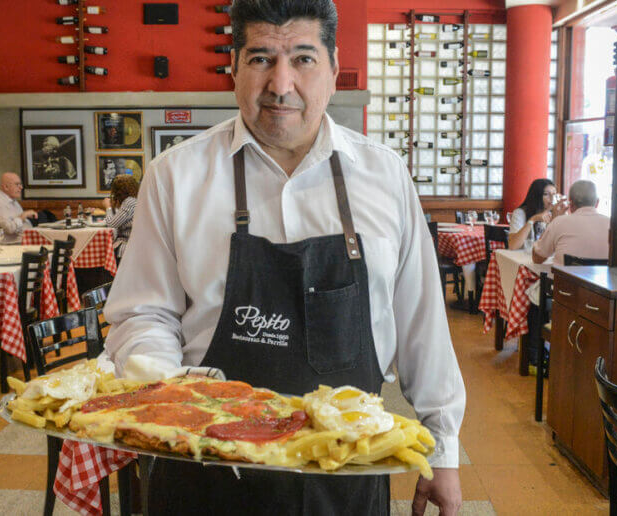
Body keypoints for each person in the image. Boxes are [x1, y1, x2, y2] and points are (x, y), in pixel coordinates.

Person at [102, 1, 465, 514]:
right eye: (260, 59)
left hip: (345, 475)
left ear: (334, 71)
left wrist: (444, 450)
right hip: (207, 473)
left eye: (302, 58)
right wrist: (175, 399)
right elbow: (142, 313)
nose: (280, 83)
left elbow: (421, 323)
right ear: (233, 69)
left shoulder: (384, 177)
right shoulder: (175, 177)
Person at [532, 180, 610, 265]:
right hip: (602, 278)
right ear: (597, 202)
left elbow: (537, 258)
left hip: (566, 278)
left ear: (571, 203)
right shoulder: (612, 225)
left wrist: (553, 221)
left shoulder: (559, 222)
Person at [507, 178, 566, 251]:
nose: (552, 198)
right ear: (536, 196)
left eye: (554, 194)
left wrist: (555, 218)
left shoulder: (556, 213)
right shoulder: (520, 213)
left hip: (545, 257)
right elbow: (513, 246)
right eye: (546, 194)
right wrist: (533, 219)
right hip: (523, 257)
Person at [0, 172, 37, 244]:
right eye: (17, 184)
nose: (21, 187)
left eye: (20, 184)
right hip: (12, 246)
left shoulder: (10, 199)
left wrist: (24, 217)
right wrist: (22, 216)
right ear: (6, 187)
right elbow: (9, 229)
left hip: (24, 242)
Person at [103, 174, 139, 262]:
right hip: (134, 245)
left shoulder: (129, 202)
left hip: (127, 247)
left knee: (103, 254)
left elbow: (111, 224)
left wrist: (108, 207)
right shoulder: (134, 200)